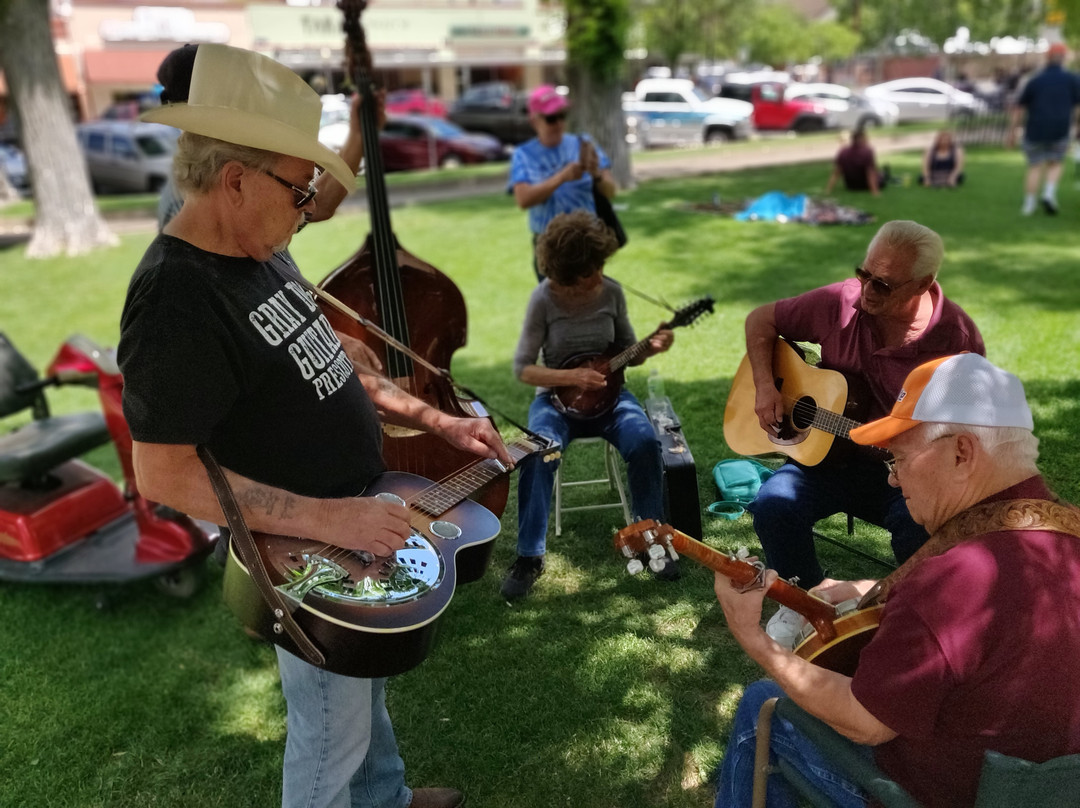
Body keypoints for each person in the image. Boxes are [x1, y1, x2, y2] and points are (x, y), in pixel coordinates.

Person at [118, 43, 513, 808]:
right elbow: (162, 475)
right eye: (300, 192)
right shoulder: (176, 298)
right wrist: (337, 517)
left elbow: (337, 362)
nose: (310, 211)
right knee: (329, 735)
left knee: (362, 686)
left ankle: (388, 799)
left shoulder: (258, 250)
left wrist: (437, 418)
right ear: (235, 180)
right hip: (306, 551)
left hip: (351, 517)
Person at [712, 352, 1080, 808]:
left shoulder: (951, 582)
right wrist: (870, 590)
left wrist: (751, 636)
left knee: (762, 705)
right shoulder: (1061, 531)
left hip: (931, 795)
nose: (891, 480)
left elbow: (863, 721)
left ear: (961, 453)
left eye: (897, 458)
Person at [741, 220, 984, 647]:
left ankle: (912, 619)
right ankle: (803, 602)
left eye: (884, 285)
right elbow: (761, 320)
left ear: (923, 284)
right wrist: (765, 386)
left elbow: (966, 432)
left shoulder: (957, 341)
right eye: (864, 274)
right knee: (773, 504)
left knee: (921, 529)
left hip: (903, 471)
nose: (866, 291)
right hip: (828, 459)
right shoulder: (840, 302)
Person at [501, 210, 675, 599]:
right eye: (588, 272)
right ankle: (529, 557)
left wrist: (652, 347)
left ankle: (651, 538)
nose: (598, 276)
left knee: (645, 442)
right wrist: (573, 378)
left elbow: (630, 351)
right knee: (538, 451)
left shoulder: (611, 292)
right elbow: (523, 369)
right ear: (565, 274)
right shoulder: (543, 299)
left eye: (600, 266)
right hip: (554, 402)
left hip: (612, 399)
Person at [508, 85, 618, 281]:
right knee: (558, 308)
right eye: (551, 118)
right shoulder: (524, 154)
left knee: (591, 304)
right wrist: (561, 178)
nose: (558, 123)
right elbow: (523, 200)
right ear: (535, 121)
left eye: (562, 116)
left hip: (588, 242)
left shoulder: (582, 143)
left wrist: (596, 174)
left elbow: (611, 191)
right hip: (550, 246)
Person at [1008, 41, 1080, 215]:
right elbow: (1078, 107)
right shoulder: (1072, 79)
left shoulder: (1034, 80)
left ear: (1047, 58)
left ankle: (1029, 205)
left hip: (1035, 129)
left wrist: (1012, 131)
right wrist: (1078, 126)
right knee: (1055, 163)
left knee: (1034, 166)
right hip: (1060, 129)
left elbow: (1020, 108)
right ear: (1063, 58)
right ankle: (1048, 193)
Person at [824, 130, 886, 196]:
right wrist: (875, 192)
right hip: (865, 185)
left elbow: (836, 172)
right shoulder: (867, 151)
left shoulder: (843, 151)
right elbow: (870, 173)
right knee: (881, 175)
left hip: (851, 186)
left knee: (878, 173)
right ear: (862, 138)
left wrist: (828, 189)